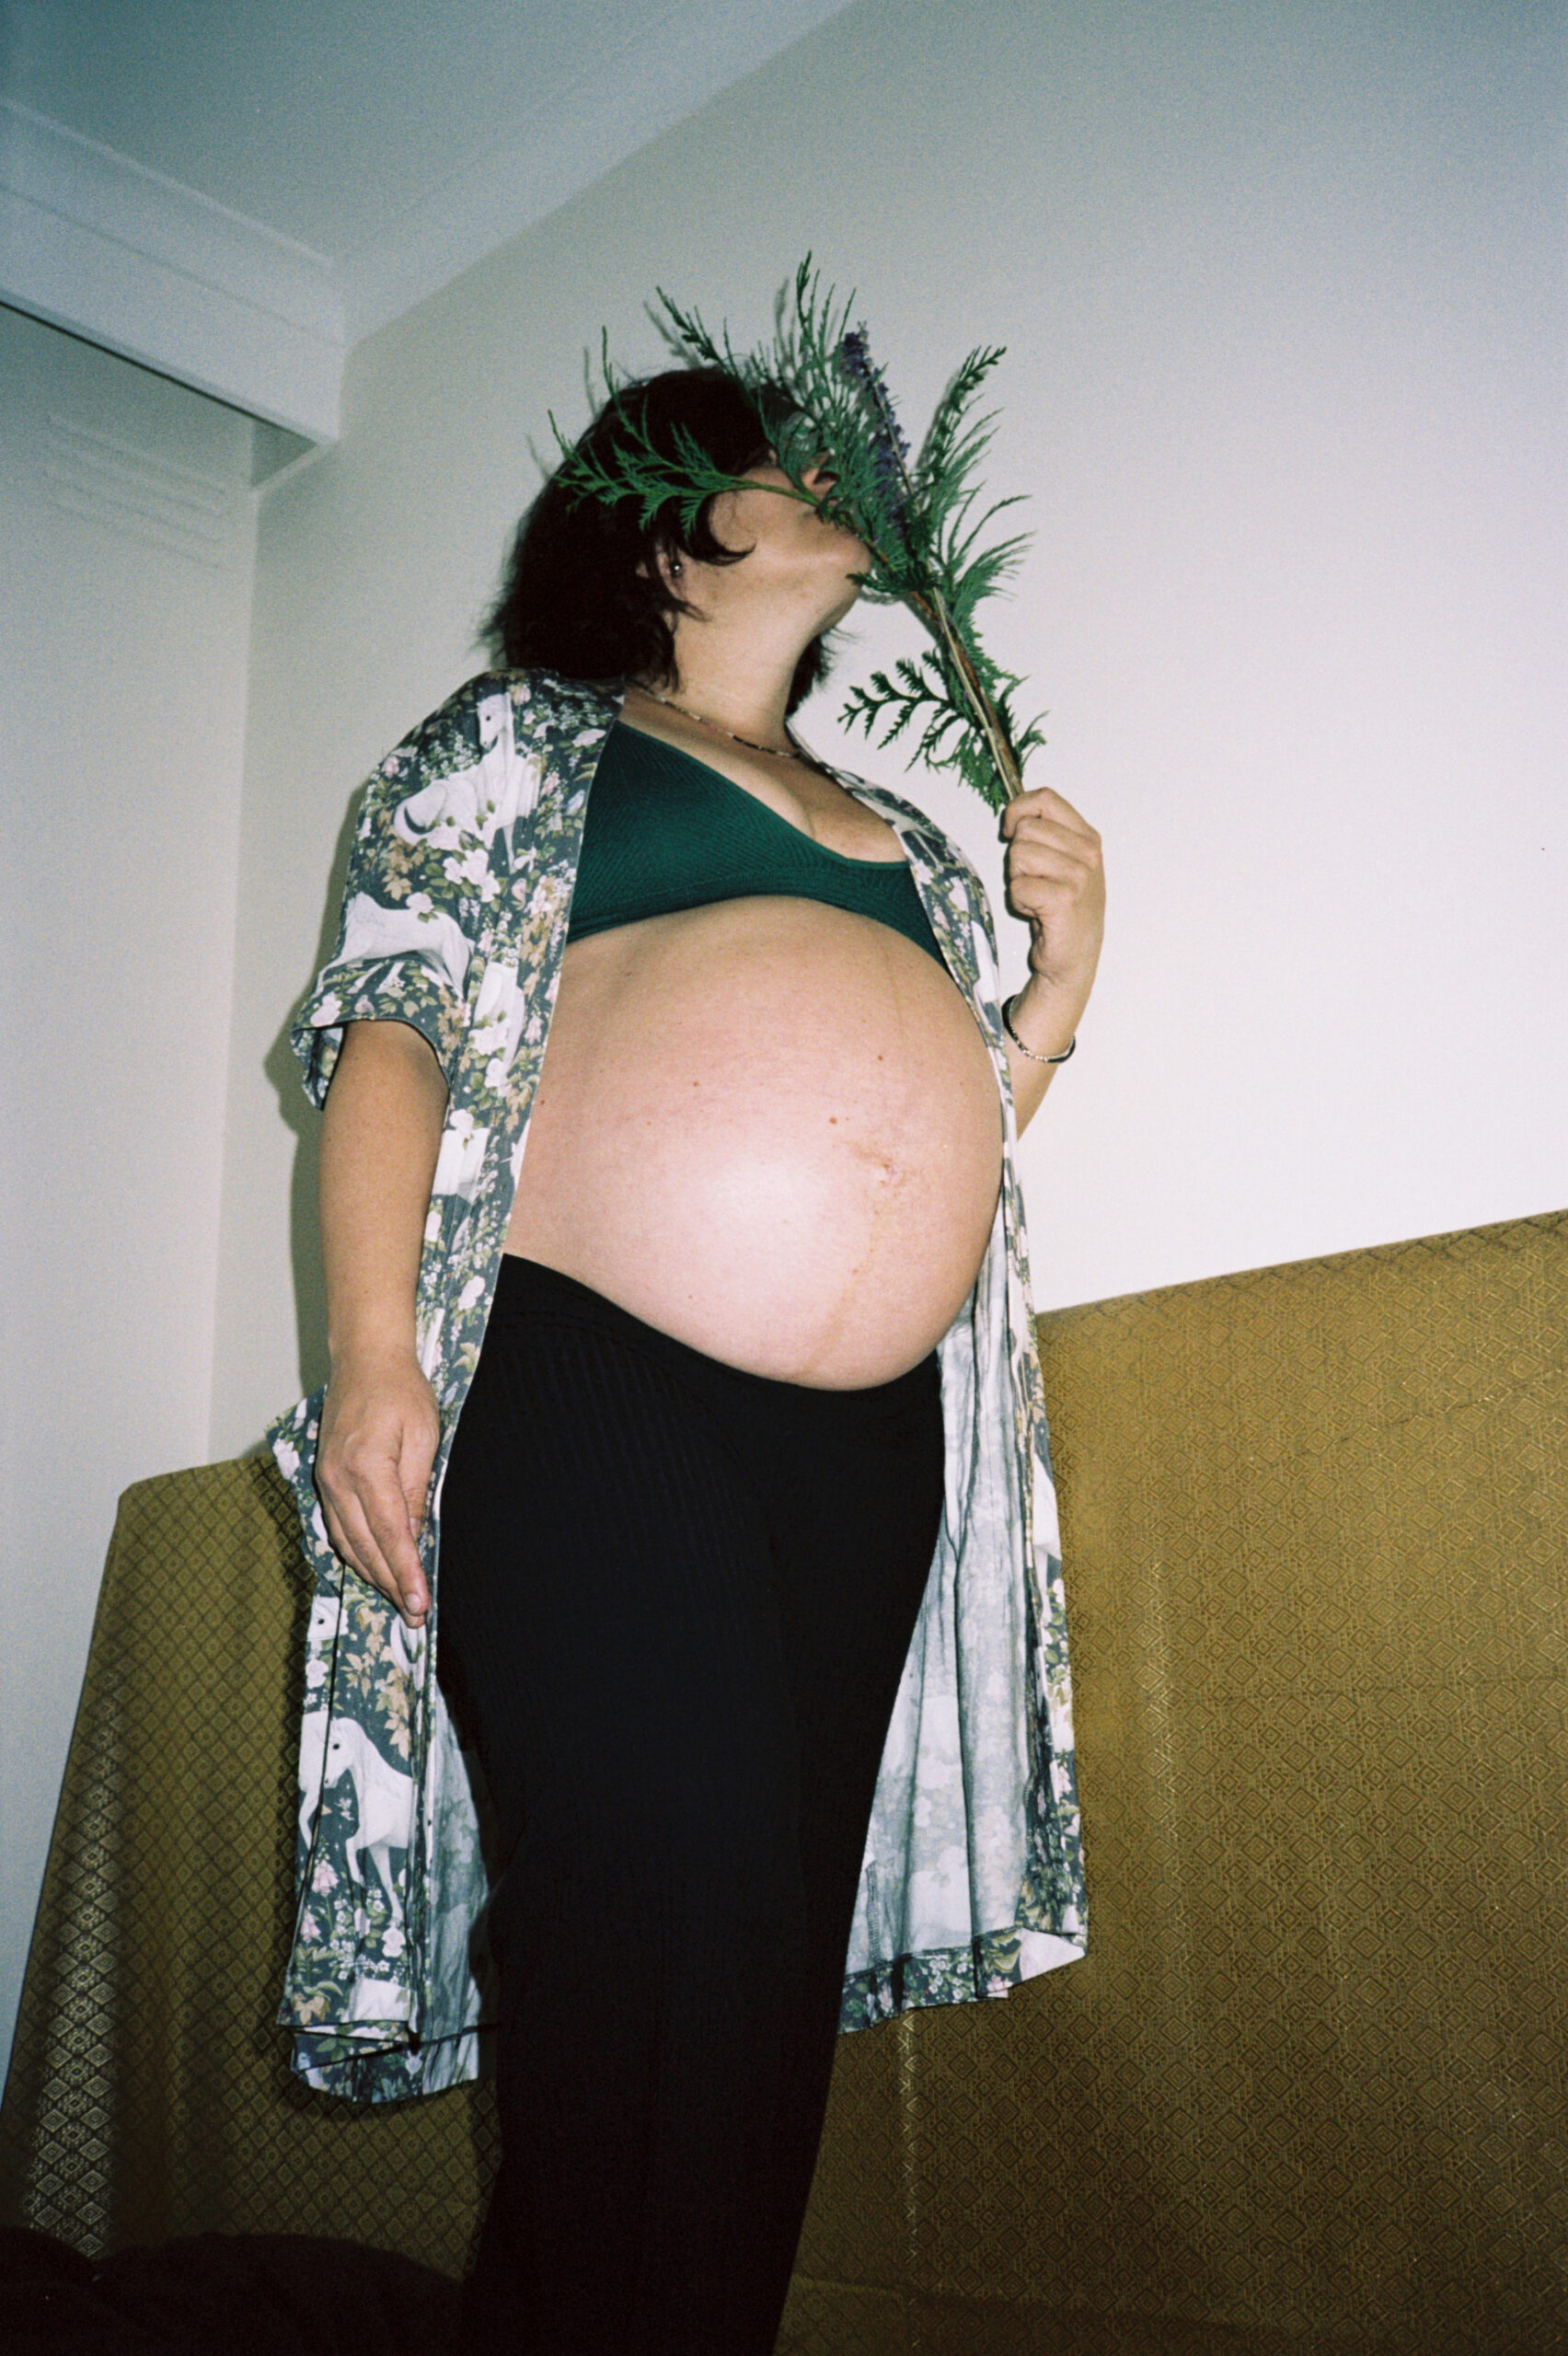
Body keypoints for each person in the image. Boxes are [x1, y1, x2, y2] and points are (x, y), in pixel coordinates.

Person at [268, 368, 1104, 2355]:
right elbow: (391, 1022)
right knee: (676, 1901)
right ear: (655, 529)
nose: (832, 476)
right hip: (589, 1375)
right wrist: (374, 1351)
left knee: (746, 1980)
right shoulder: (522, 743)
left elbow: (931, 1126)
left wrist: (1049, 1003)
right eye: (775, 454)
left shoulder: (891, 819)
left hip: (866, 1451)